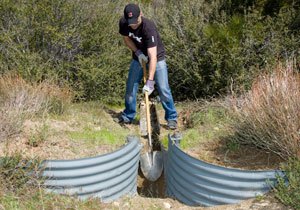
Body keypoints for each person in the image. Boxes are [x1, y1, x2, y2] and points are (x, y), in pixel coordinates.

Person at [117, 3, 178, 130]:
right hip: (138, 57)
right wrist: (137, 53)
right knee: (130, 88)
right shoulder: (124, 23)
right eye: (130, 22)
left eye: (135, 21)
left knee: (163, 88)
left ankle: (171, 118)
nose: (133, 24)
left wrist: (150, 81)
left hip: (157, 57)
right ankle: (128, 115)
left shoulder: (148, 27)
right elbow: (127, 39)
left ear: (141, 15)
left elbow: (153, 56)